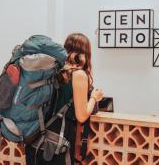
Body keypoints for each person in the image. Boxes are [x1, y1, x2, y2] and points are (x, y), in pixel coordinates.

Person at [26, 32, 104, 164]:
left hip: (35, 139)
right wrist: (94, 98)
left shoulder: (54, 69)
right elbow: (82, 115)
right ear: (85, 52)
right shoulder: (78, 74)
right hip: (56, 143)